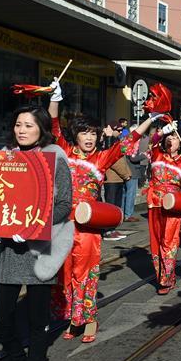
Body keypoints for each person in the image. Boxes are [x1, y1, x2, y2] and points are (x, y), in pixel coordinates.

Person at [0, 105, 73, 361]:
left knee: (37, 321)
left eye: (29, 126)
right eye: (18, 124)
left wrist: (36, 227)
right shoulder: (3, 156)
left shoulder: (55, 156)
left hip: (38, 251)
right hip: (8, 251)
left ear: (42, 129)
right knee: (2, 319)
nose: (21, 130)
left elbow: (63, 205)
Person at [47, 79, 140, 341]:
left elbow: (127, 142)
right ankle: (72, 319)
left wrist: (150, 120)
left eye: (93, 133)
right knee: (64, 271)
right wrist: (55, 98)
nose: (89, 138)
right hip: (63, 224)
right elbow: (53, 125)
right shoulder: (64, 151)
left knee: (85, 273)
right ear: (75, 135)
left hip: (88, 225)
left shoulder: (102, 157)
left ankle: (88, 320)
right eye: (84, 133)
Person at [146, 119, 181, 294]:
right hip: (154, 204)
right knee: (156, 242)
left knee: (169, 242)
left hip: (172, 207)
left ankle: (167, 280)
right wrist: (163, 131)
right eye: (168, 137)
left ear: (180, 142)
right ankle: (162, 276)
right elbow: (152, 141)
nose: (169, 140)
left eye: (174, 137)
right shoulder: (156, 154)